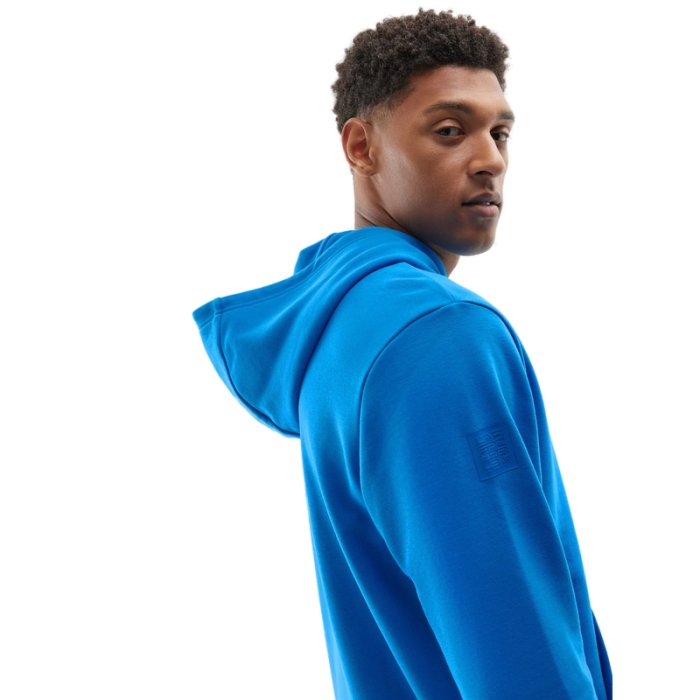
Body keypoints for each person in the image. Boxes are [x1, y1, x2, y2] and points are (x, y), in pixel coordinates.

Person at [193, 9, 612, 699]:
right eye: (449, 130)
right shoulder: (440, 335)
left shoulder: (344, 329)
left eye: (500, 132)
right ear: (361, 146)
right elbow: (513, 644)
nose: (491, 159)